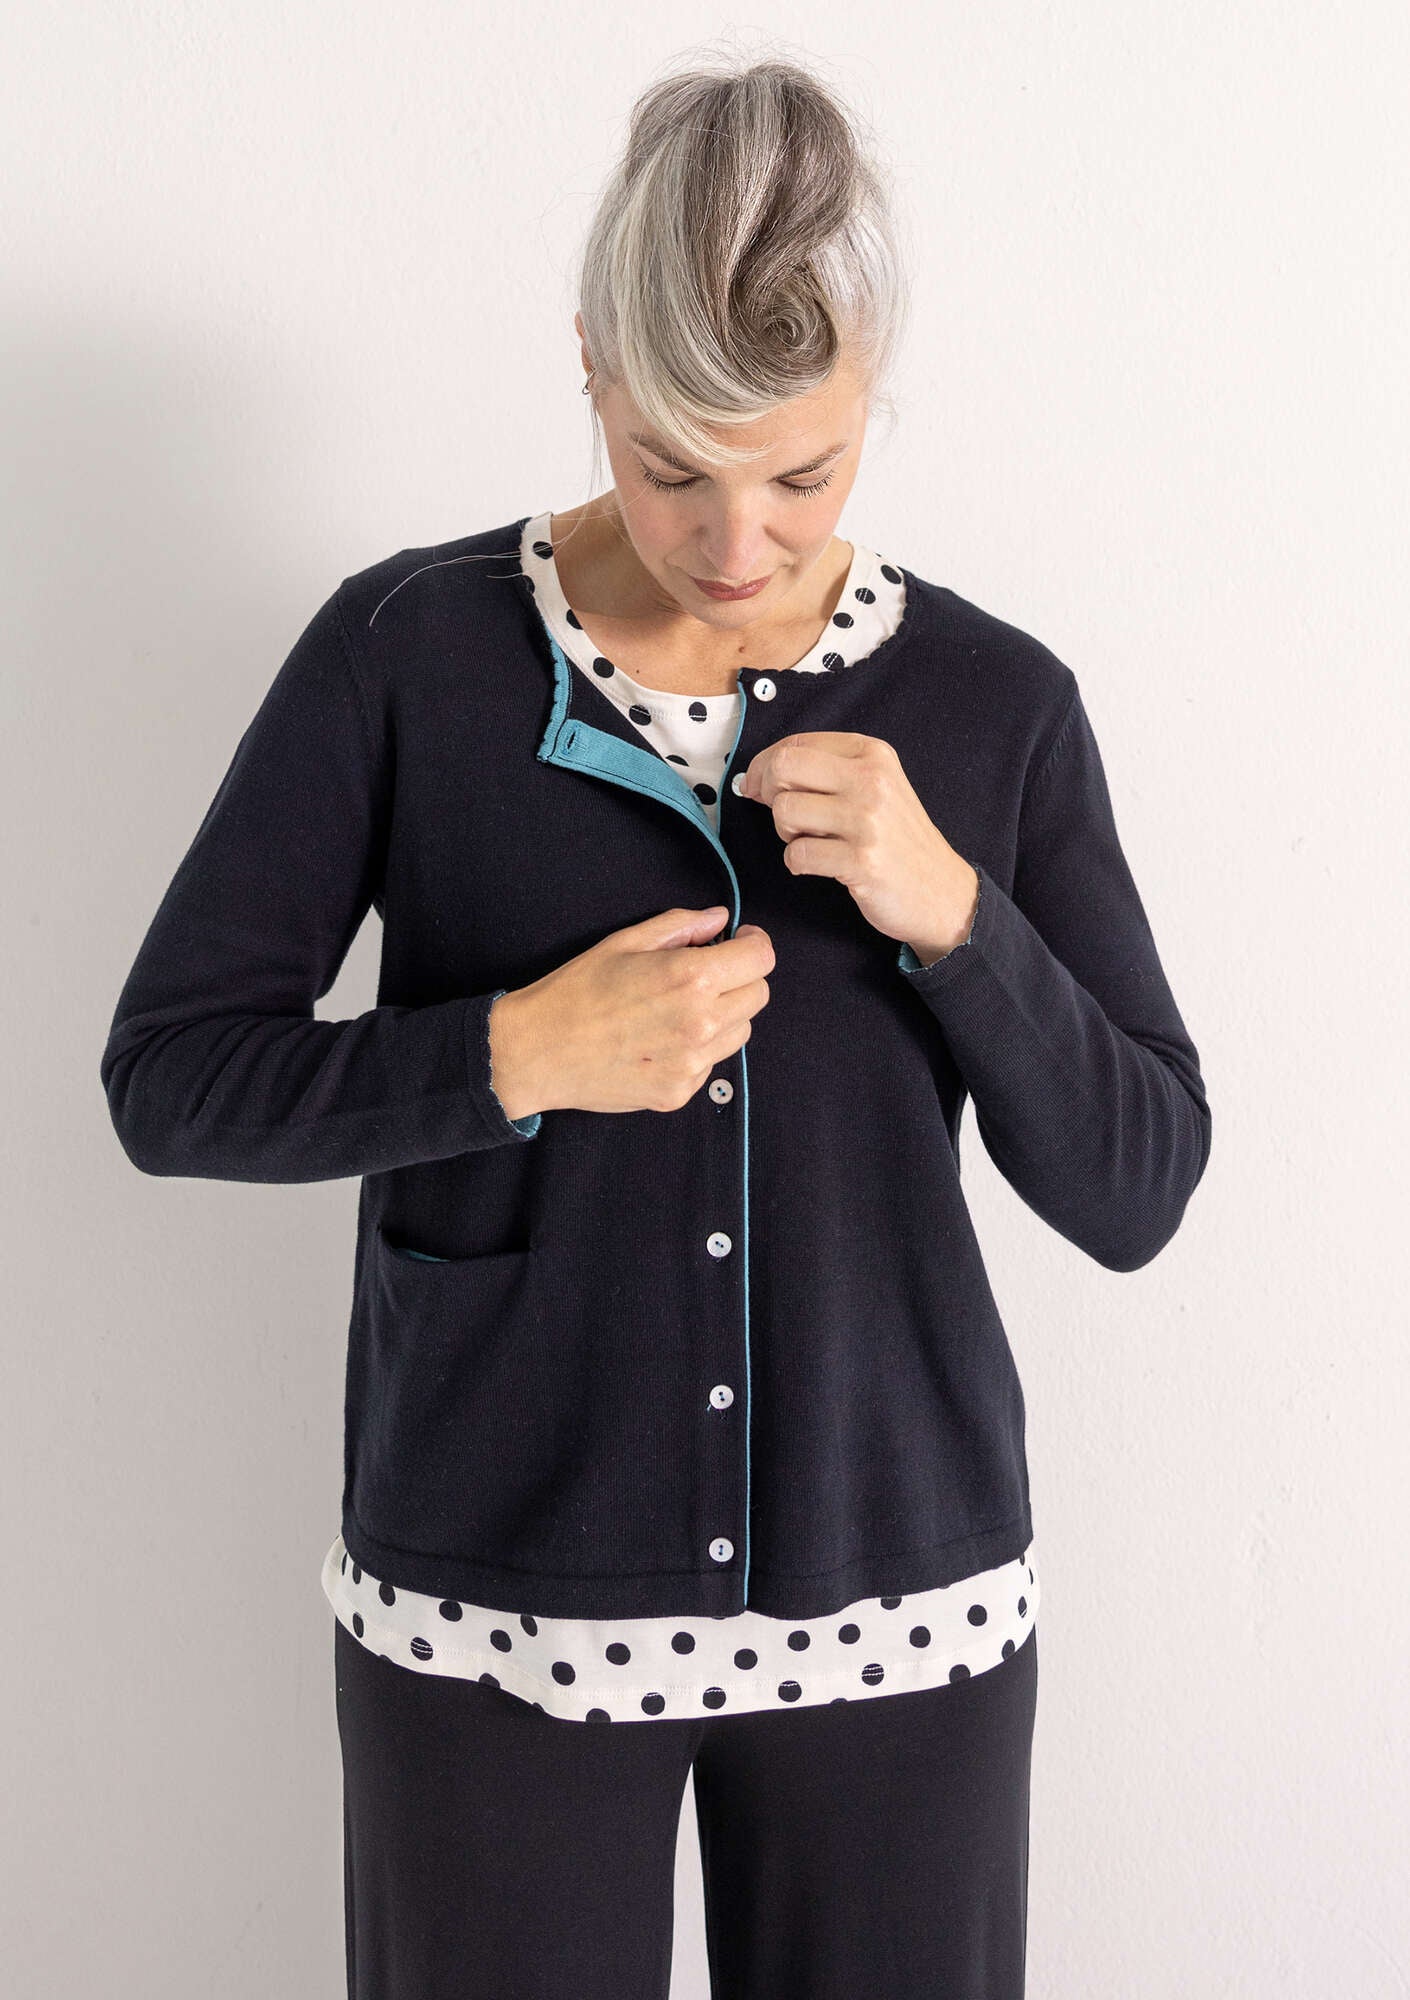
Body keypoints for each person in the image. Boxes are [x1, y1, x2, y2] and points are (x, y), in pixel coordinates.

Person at [101, 50, 1212, 2000]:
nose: (737, 543)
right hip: (495, 1594)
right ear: (592, 372)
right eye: (672, 466)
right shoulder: (406, 653)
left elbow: (1140, 1185)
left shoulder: (996, 703)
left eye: (804, 473)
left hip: (900, 1598)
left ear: (870, 392)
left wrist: (959, 919)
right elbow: (172, 1079)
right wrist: (509, 1054)